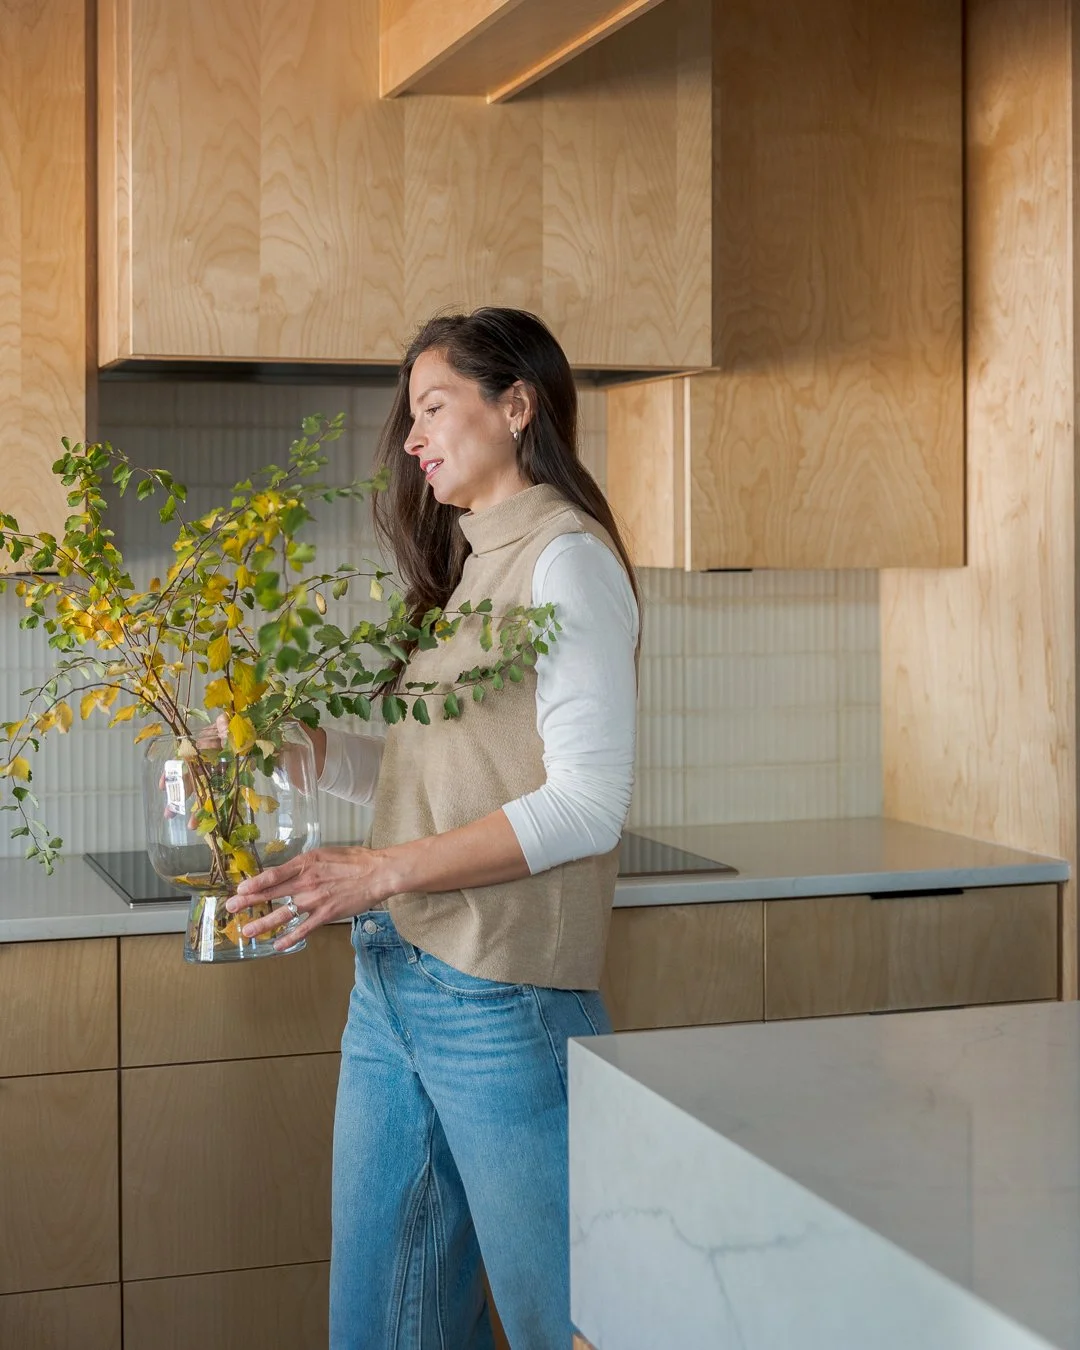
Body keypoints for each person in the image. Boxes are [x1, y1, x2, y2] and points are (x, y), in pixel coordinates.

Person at [228, 307, 641, 1348]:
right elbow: (439, 770)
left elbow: (588, 804)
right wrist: (311, 752)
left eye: (432, 406)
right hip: (395, 986)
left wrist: (379, 873)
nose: (411, 438)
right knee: (382, 1326)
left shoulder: (566, 562)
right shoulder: (462, 574)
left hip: (502, 1004)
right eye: (409, 416)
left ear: (517, 404)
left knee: (570, 1328)